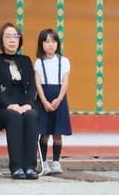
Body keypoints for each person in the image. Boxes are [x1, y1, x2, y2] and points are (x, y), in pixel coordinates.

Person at [0, 23, 41, 179]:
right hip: (1, 107)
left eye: (15, 36)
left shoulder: (25, 60)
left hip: (24, 105)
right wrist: (10, 105)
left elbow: (32, 86)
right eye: (8, 36)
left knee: (31, 115)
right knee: (14, 116)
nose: (12, 40)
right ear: (1, 40)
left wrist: (27, 104)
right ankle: (16, 166)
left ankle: (30, 166)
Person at [33, 28, 71, 175]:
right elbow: (37, 84)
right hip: (43, 98)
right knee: (44, 132)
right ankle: (43, 163)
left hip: (59, 97)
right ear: (41, 44)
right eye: (47, 41)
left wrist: (59, 99)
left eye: (54, 41)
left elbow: (65, 82)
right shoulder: (38, 62)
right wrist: (44, 102)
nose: (51, 45)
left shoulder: (64, 61)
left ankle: (56, 162)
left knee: (57, 131)